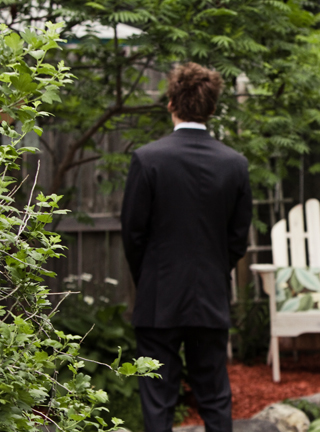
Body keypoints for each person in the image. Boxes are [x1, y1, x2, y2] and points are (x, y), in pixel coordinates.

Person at [121, 62, 252, 432]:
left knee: (158, 403)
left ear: (170, 103)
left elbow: (132, 234)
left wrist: (150, 278)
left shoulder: (147, 160)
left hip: (158, 296)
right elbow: (237, 239)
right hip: (210, 296)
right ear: (212, 108)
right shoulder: (235, 164)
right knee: (214, 397)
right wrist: (213, 270)